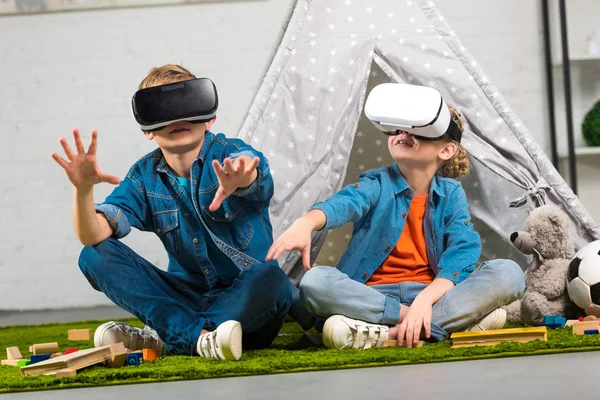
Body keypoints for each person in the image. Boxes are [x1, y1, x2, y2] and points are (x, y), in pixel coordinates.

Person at [52, 64, 292, 361]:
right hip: (185, 296)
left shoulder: (232, 154)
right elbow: (92, 234)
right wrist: (83, 191)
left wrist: (245, 178)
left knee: (271, 277)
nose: (178, 118)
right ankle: (197, 337)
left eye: (189, 106)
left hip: (246, 301)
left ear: (210, 117)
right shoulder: (143, 176)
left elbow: (252, 170)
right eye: (163, 111)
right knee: (93, 254)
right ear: (148, 131)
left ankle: (170, 336)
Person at [266, 94, 525, 349]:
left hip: (433, 296)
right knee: (315, 283)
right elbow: (343, 204)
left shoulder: (451, 193)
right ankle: (434, 326)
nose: (404, 133)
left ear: (446, 150)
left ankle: (384, 334)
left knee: (509, 273)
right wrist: (307, 223)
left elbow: (462, 253)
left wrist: (424, 302)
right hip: (373, 298)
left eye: (420, 130)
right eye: (398, 128)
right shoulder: (375, 184)